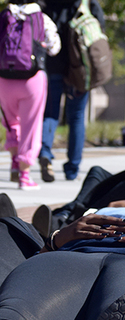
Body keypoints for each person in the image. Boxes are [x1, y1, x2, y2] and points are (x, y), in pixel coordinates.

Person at [39, 0, 104, 182]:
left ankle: (45, 152)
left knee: (50, 112)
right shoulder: (86, 3)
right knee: (76, 117)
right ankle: (72, 168)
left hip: (53, 66)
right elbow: (99, 32)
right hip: (79, 69)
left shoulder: (49, 4)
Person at [0, 0, 60, 191]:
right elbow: (54, 47)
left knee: (11, 121)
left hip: (4, 78)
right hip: (32, 78)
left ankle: (15, 164)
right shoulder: (41, 18)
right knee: (31, 125)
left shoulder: (4, 16)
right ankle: (25, 176)